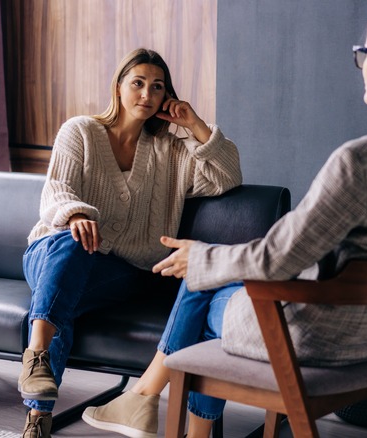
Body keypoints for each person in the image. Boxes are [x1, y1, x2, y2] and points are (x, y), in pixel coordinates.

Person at [81, 2, 367, 437]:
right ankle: (147, 403)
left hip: (312, 336)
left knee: (200, 283)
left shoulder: (362, 161)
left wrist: (202, 259)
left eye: (363, 53)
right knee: (208, 276)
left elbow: (279, 258)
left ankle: (144, 401)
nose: (361, 64)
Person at [19, 48, 242, 438]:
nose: (146, 93)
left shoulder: (171, 151)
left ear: (166, 97)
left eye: (157, 87)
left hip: (120, 271)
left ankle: (40, 416)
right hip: (52, 251)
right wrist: (76, 214)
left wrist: (195, 125)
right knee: (72, 251)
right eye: (137, 83)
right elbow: (56, 189)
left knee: (64, 299)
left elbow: (227, 176)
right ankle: (36, 362)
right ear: (118, 87)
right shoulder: (81, 130)